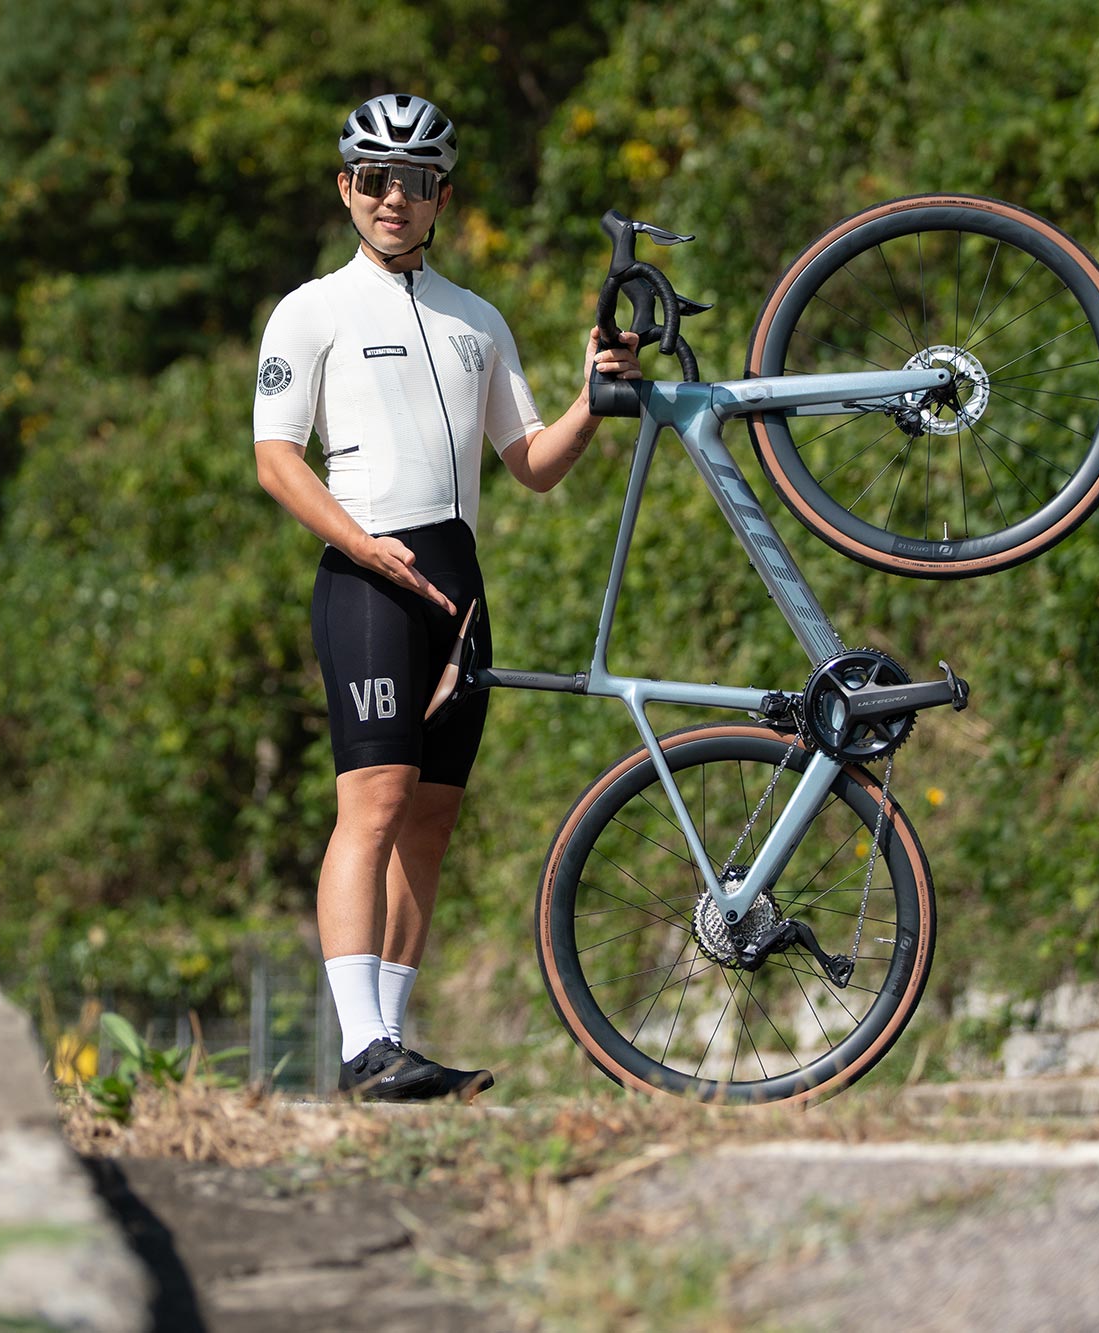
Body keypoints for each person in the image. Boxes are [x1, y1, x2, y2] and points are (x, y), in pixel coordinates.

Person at [254, 93, 641, 1101]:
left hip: (457, 584)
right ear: (347, 188)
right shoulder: (312, 309)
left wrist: (593, 395)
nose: (394, 197)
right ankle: (360, 1048)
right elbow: (275, 459)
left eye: (415, 182)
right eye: (375, 179)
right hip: (366, 576)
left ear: (442, 199)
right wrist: (362, 546)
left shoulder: (477, 319)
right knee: (374, 801)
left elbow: (532, 463)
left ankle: (391, 1045)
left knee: (429, 818)